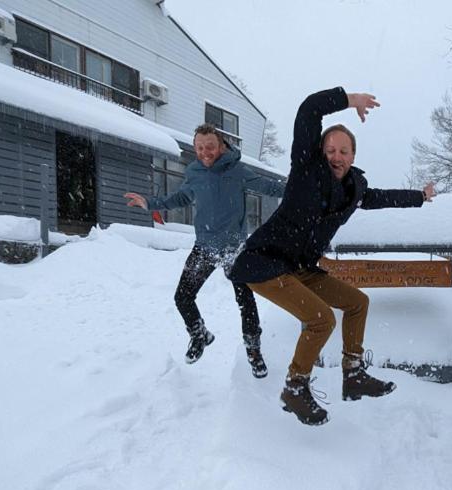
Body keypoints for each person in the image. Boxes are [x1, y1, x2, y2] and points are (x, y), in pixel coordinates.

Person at [228, 87, 435, 426]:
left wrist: (419, 197)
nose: (336, 156)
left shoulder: (355, 189)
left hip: (299, 267)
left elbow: (381, 197)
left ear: (353, 156)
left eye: (343, 151)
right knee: (321, 319)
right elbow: (309, 109)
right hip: (264, 261)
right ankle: (295, 387)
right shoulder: (306, 169)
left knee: (357, 302)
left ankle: (353, 375)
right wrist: (349, 100)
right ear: (320, 152)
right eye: (330, 150)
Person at [124, 124, 284, 378]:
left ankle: (254, 351)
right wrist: (150, 203)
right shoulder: (195, 173)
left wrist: (302, 189)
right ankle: (200, 336)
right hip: (205, 247)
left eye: (210, 146)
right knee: (182, 297)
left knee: (246, 302)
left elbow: (271, 188)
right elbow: (180, 198)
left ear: (221, 147)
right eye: (199, 147)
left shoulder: (238, 171)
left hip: (236, 249)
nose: (205, 152)